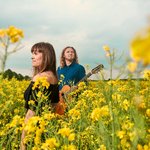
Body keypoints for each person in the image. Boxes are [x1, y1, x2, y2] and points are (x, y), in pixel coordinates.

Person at [20, 42, 59, 150]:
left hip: (34, 131)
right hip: (46, 129)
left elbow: (31, 113)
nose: (32, 57)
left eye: (36, 53)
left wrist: (23, 143)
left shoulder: (40, 78)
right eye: (32, 53)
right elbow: (54, 106)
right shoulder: (53, 76)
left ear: (46, 56)